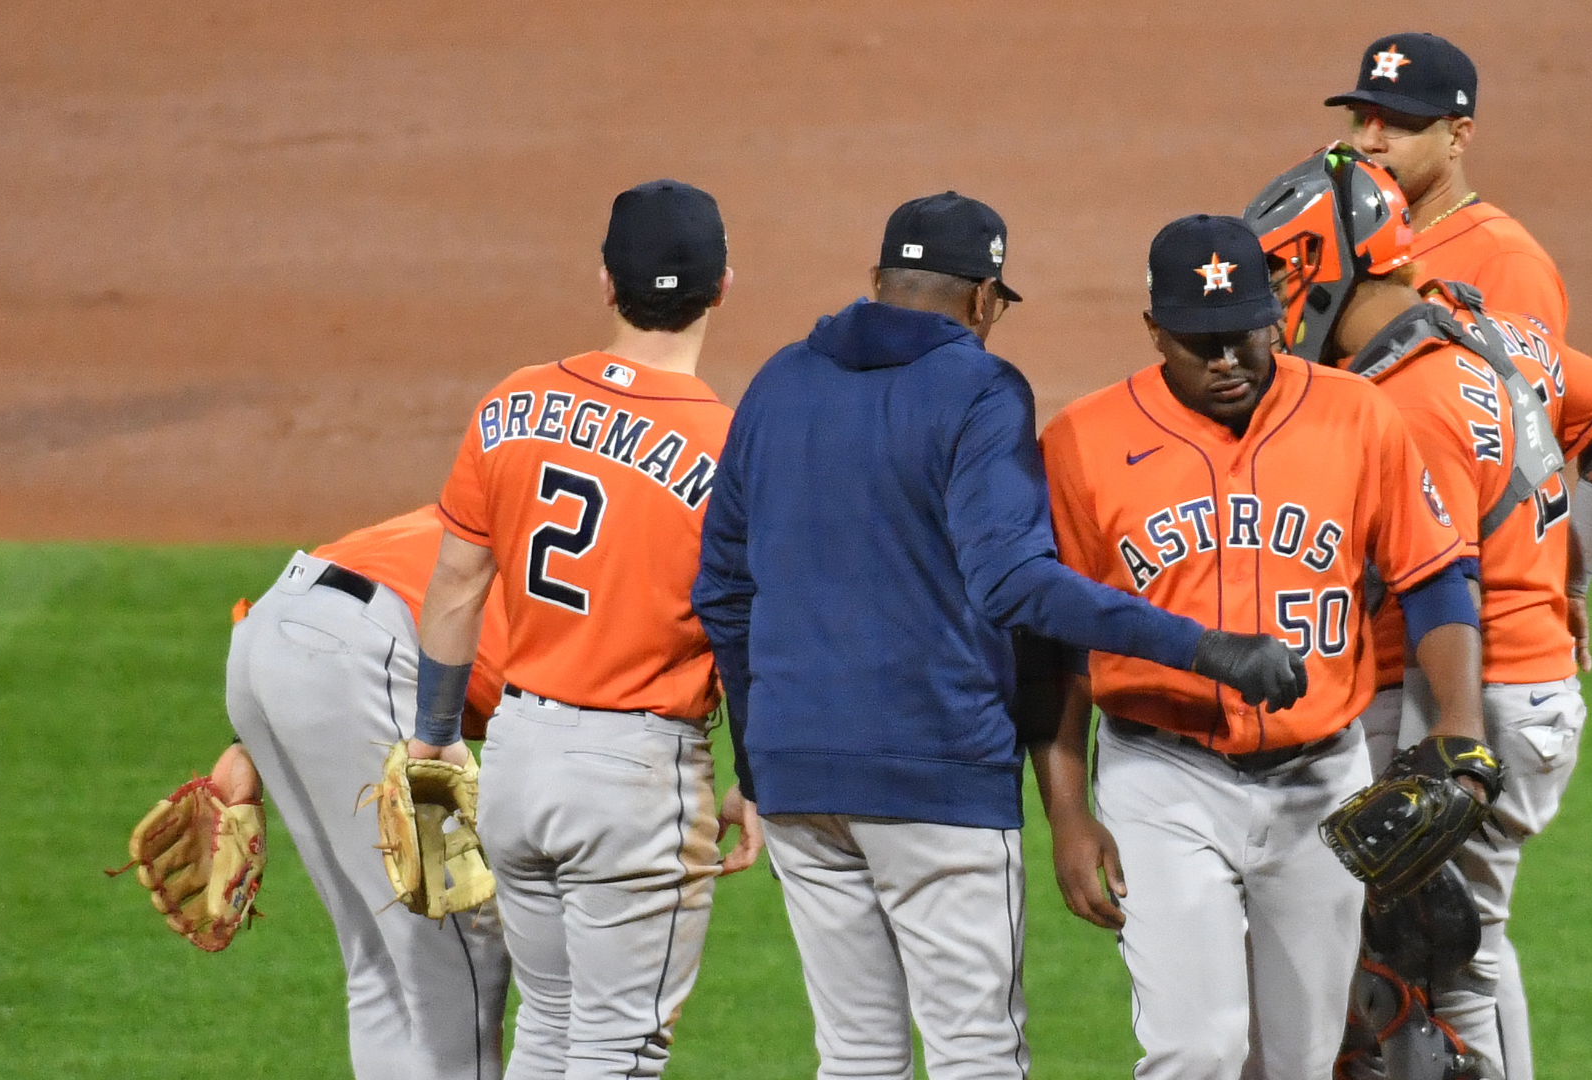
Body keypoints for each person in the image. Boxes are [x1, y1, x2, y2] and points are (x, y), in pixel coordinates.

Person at [692, 192, 1307, 1080]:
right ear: (983, 301)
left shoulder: (778, 380)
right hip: (933, 778)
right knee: (976, 1056)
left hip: (796, 780)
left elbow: (723, 593)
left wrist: (759, 761)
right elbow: (1015, 581)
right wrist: (1207, 648)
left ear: (878, 282)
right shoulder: (979, 386)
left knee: (856, 1058)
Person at [1031, 214, 1487, 1080]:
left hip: (1321, 783)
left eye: (1242, 334)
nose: (1226, 361)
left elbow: (1433, 577)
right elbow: (1054, 644)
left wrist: (1458, 725)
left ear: (1279, 311)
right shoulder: (1081, 443)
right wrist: (1066, 813)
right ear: (1154, 330)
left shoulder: (1358, 417)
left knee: (1304, 1061)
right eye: (1198, 343)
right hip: (1163, 779)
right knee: (1193, 1050)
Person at [1248, 145, 1592, 1078]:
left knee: (1454, 955)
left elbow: (1431, 574)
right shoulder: (1498, 336)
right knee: (1411, 945)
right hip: (1523, 683)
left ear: (1321, 264)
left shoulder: (1405, 400)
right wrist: (1570, 577)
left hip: (1472, 702)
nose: (1272, 301)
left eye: (1280, 271)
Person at [405, 179, 761, 1079]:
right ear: (724, 286)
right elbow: (746, 632)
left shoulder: (512, 404)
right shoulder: (731, 445)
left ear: (607, 282)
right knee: (618, 1050)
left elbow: (454, 588)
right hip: (634, 783)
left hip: (519, 758)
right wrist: (757, 778)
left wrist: (436, 747)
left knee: (551, 1027)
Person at [225, 505, 514, 1080]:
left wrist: (248, 742)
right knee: (468, 956)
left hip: (272, 631)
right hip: (365, 658)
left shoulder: (538, 507)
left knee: (382, 962)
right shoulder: (627, 597)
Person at [1329, 31, 1571, 335]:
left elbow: (1528, 381)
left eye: (1396, 123)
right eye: (1361, 118)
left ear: (1457, 136)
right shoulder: (1348, 239)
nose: (1368, 142)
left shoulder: (1506, 262)